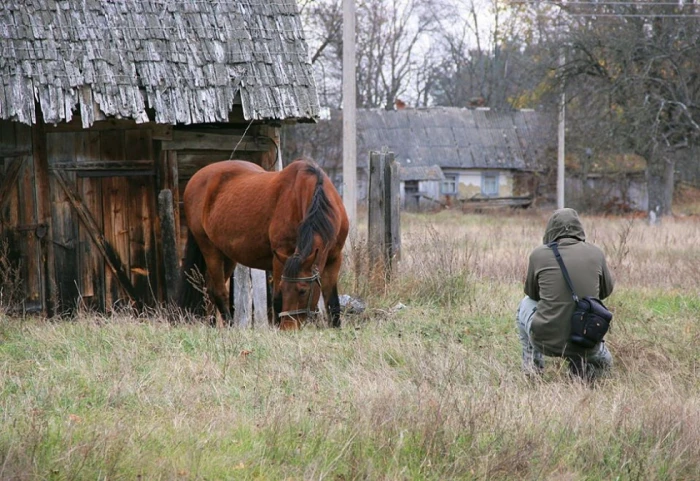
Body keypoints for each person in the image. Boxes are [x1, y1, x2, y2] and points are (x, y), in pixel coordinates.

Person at [517, 208, 615, 381]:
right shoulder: (596, 253)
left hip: (544, 341)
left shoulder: (538, 255)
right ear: (579, 228)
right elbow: (605, 292)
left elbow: (532, 294)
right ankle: (583, 367)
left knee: (525, 303)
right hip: (586, 339)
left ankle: (533, 370)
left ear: (550, 229)